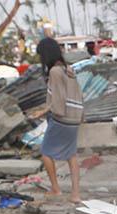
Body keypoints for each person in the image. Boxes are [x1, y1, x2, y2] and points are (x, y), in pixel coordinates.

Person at [37, 37, 83, 203]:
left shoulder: (54, 72)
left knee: (46, 152)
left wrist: (47, 112)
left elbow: (58, 99)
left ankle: (56, 188)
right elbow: (78, 94)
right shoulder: (68, 70)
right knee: (71, 155)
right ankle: (75, 194)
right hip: (75, 117)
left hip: (61, 118)